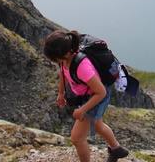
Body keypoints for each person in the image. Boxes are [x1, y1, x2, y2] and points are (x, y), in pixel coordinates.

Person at [44, 30, 129, 162]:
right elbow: (63, 72)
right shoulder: (65, 58)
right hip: (88, 95)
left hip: (95, 97)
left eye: (56, 59)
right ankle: (116, 149)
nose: (56, 61)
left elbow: (101, 92)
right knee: (97, 124)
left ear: (66, 53)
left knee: (77, 138)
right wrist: (61, 93)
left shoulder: (83, 67)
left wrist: (83, 109)